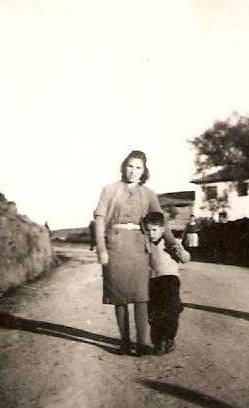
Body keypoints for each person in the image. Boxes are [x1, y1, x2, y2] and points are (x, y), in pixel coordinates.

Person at [93, 150, 176, 356]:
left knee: (141, 296)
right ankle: (124, 342)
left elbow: (161, 222)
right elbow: (100, 219)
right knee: (119, 296)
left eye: (138, 167)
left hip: (140, 246)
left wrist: (175, 246)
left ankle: (142, 344)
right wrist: (101, 248)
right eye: (130, 166)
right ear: (124, 167)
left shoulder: (149, 194)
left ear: (144, 170)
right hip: (115, 246)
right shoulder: (109, 189)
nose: (133, 171)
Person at [143, 211, 190, 356]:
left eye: (154, 230)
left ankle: (169, 338)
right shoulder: (146, 243)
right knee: (154, 311)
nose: (151, 234)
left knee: (171, 309)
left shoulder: (169, 243)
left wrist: (180, 252)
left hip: (170, 279)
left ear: (163, 229)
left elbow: (186, 258)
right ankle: (158, 341)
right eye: (148, 230)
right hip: (153, 281)